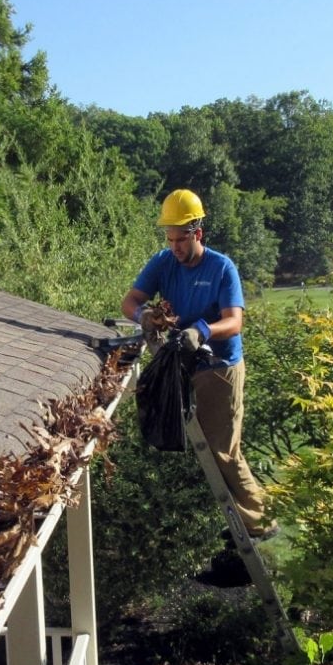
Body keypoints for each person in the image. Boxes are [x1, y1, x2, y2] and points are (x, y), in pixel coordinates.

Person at [121, 188, 271, 537]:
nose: (175, 247)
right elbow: (129, 301)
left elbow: (234, 322)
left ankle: (259, 524)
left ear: (197, 234)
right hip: (183, 366)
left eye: (181, 239)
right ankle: (236, 523)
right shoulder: (163, 262)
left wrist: (201, 331)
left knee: (224, 450)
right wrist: (145, 315)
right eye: (170, 239)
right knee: (198, 448)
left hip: (219, 368)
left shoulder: (221, 268)